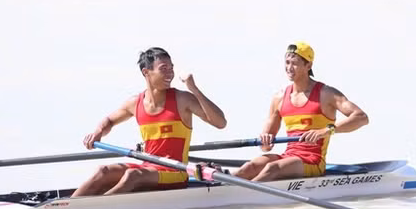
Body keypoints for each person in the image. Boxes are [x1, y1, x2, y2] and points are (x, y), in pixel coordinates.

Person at [72, 47, 227, 197]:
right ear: (146, 72)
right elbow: (109, 121)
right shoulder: (135, 103)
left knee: (133, 175)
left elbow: (220, 123)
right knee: (103, 171)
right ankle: (65, 206)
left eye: (171, 68)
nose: (170, 73)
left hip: (176, 172)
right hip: (148, 167)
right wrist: (98, 132)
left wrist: (194, 89)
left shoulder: (182, 99)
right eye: (163, 68)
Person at [233, 42, 369, 182]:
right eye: (287, 62)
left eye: (294, 63)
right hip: (289, 156)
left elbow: (361, 117)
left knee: (271, 168)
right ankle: (220, 190)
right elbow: (265, 147)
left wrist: (326, 130)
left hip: (313, 161)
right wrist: (265, 141)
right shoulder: (279, 98)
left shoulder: (326, 94)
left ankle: (240, 196)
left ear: (308, 66)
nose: (289, 68)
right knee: (248, 168)